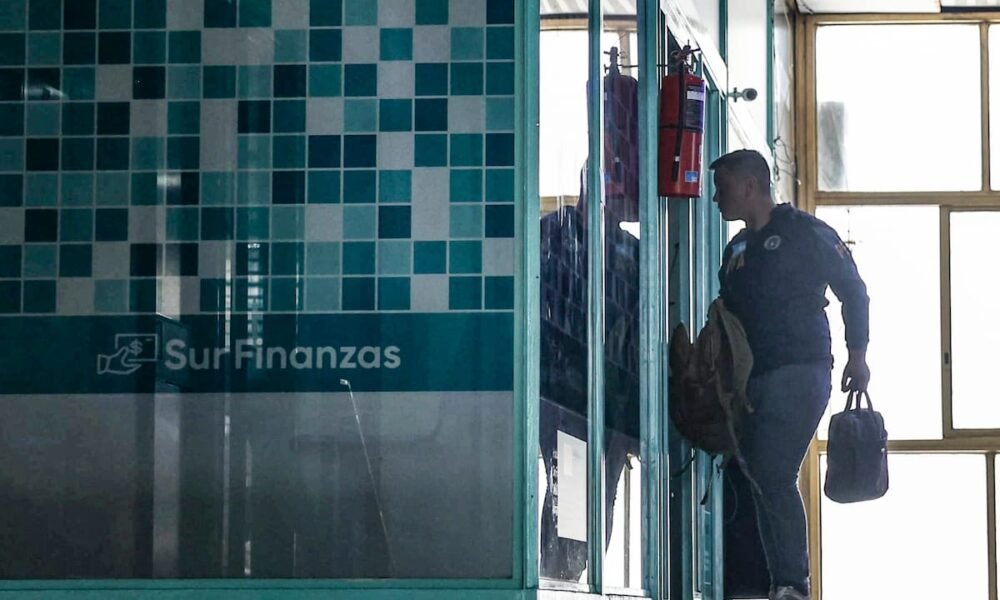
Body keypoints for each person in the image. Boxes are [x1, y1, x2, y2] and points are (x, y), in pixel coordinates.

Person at [710, 149, 871, 600]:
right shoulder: (735, 250)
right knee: (760, 477)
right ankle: (778, 581)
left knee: (774, 472)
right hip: (751, 380)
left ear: (749, 186)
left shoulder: (805, 232)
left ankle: (793, 583)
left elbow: (853, 290)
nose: (716, 198)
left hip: (800, 370)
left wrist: (857, 355)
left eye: (723, 188)